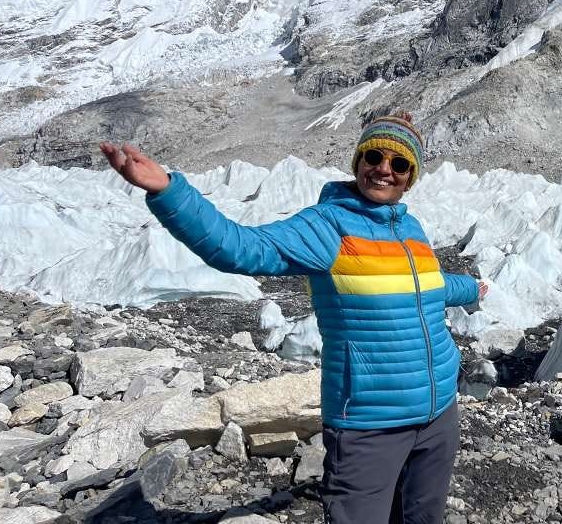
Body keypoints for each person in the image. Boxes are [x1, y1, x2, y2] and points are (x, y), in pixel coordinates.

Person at [100, 113, 488, 524]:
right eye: (374, 155)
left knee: (424, 518)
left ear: (411, 177)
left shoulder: (410, 230)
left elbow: (428, 285)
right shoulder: (328, 227)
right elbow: (241, 248)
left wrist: (470, 288)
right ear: (358, 161)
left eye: (399, 164)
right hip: (371, 422)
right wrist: (169, 193)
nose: (383, 169)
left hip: (438, 413)